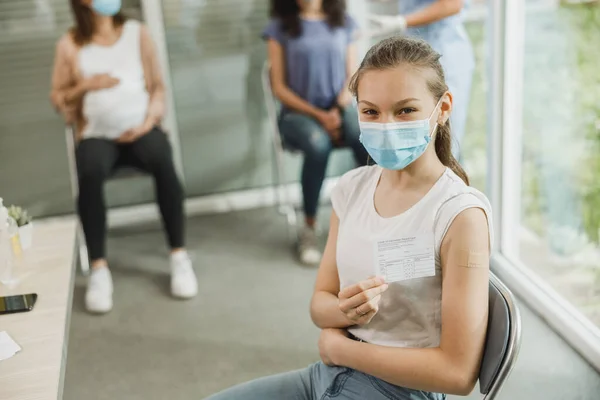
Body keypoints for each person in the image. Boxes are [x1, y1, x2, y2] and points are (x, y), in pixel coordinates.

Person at [204, 36, 492, 400]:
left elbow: (457, 375)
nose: (386, 125)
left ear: (443, 107)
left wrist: (342, 349)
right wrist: (345, 310)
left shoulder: (460, 215)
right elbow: (319, 307)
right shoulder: (351, 188)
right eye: (371, 111)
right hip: (325, 377)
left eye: (405, 111)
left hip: (395, 390)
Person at [50, 0, 198, 314]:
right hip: (97, 136)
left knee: (162, 157)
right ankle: (99, 269)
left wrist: (147, 123)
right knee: (88, 170)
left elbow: (158, 87)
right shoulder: (70, 43)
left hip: (140, 131)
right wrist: (87, 85)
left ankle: (179, 256)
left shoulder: (137, 33)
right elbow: (58, 97)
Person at [262, 0, 369, 266]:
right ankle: (308, 227)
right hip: (297, 115)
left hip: (339, 107)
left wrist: (335, 108)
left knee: (365, 135)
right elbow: (279, 87)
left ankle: (371, 216)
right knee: (318, 144)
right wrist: (319, 115)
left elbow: (353, 77)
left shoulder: (343, 22)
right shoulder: (279, 28)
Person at [368, 0, 474, 159]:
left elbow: (452, 4)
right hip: (413, 56)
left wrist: (401, 21)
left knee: (444, 144)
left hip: (445, 55)